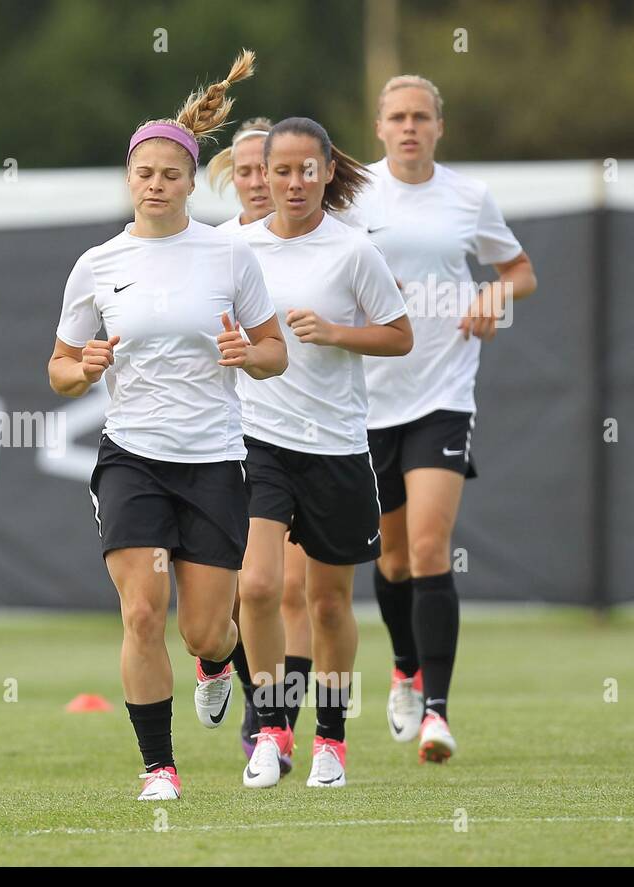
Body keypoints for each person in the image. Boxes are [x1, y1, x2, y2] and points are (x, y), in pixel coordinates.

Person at [48, 50, 287, 800]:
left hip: (213, 462)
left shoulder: (228, 253)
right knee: (144, 612)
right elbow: (57, 369)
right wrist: (82, 368)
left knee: (206, 631)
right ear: (129, 177)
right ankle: (159, 768)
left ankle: (218, 667)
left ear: (191, 181)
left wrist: (249, 355)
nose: (157, 184)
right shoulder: (97, 265)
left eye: (171, 174)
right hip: (133, 460)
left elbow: (275, 353)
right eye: (144, 173)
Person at [355, 75, 537, 763]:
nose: (409, 127)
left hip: (443, 395)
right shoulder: (353, 195)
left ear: (439, 125)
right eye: (397, 116)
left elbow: (521, 270)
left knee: (430, 548)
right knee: (393, 557)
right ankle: (404, 668)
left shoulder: (468, 197)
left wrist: (495, 295)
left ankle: (437, 712)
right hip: (368, 401)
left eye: (420, 117)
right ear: (379, 127)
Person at [235, 117, 412, 789]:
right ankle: (274, 728)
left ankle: (330, 741)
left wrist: (338, 332)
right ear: (264, 174)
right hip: (258, 442)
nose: (293, 182)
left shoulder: (352, 250)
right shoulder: (234, 247)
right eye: (281, 170)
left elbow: (398, 337)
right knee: (257, 585)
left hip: (336, 446)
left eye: (307, 169)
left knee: (331, 605)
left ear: (328, 171)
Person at [210, 120, 313, 766]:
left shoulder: (324, 242)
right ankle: (248, 686)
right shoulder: (212, 249)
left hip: (312, 435)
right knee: (247, 589)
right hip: (236, 439)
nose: (256, 182)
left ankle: (279, 726)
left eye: (265, 169)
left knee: (296, 593)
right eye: (244, 171)